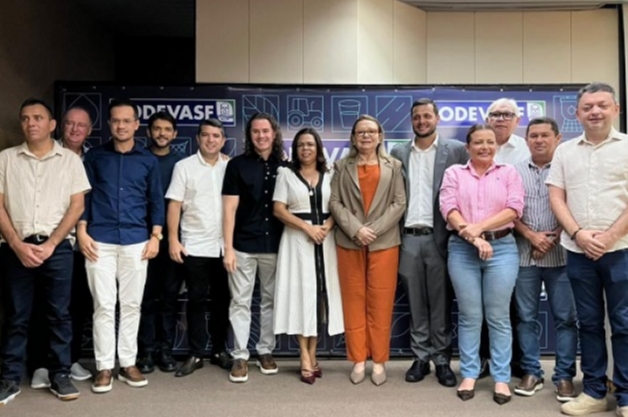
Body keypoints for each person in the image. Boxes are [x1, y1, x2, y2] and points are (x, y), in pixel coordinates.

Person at [0, 98, 91, 405]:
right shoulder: (6, 159)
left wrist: (51, 243)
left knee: (59, 315)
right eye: (25, 118)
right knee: (17, 315)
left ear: (52, 125)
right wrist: (16, 244)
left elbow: (77, 206)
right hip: (16, 248)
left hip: (58, 249)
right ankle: (9, 378)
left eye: (38, 118)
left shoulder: (70, 161)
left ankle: (60, 374)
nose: (31, 123)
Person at [546, 82, 628, 417]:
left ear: (615, 110)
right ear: (577, 113)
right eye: (587, 107)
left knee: (624, 323)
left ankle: (625, 395)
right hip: (579, 253)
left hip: (621, 250)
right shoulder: (565, 151)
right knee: (589, 323)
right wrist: (579, 234)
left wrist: (609, 237)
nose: (595, 111)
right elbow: (556, 197)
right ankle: (595, 391)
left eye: (602, 105)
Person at [78, 98, 164, 393]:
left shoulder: (148, 160)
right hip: (98, 240)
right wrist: (81, 230)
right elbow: (85, 197)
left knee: (131, 305)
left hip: (136, 241)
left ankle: (128, 363)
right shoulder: (94, 157)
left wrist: (156, 236)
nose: (121, 125)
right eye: (116, 120)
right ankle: (104, 367)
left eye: (127, 120)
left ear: (137, 125)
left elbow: (155, 200)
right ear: (109, 124)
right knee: (103, 306)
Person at [439, 123, 524, 405]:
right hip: (463, 249)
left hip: (502, 249)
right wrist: (474, 238)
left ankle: (501, 377)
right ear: (468, 147)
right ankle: (469, 373)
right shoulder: (454, 173)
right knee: (470, 316)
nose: (484, 147)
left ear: (496, 146)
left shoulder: (508, 172)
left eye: (490, 142)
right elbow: (448, 208)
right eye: (478, 142)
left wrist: (480, 228)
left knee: (498, 317)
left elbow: (514, 208)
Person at [390, 99, 468, 387]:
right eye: (416, 117)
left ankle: (442, 360)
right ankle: (420, 357)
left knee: (440, 302)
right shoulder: (398, 152)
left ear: (437, 118)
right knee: (415, 301)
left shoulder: (456, 150)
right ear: (411, 121)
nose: (422, 121)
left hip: (441, 238)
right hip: (408, 237)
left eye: (427, 116)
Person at [329, 115, 406, 386]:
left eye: (371, 131)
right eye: (361, 132)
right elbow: (335, 202)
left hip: (384, 243)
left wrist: (372, 230)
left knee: (381, 302)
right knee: (353, 301)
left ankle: (380, 361)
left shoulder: (394, 166)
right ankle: (359, 360)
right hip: (350, 242)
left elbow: (399, 203)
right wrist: (356, 229)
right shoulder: (341, 166)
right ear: (353, 137)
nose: (366, 136)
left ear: (380, 136)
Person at [28, 106, 94, 390]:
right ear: (59, 126)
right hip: (49, 243)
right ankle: (41, 364)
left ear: (89, 130)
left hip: (84, 246)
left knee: (76, 305)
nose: (75, 129)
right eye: (70, 124)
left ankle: (69, 360)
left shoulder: (94, 158)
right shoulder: (47, 155)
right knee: (42, 306)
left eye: (81, 125)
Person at [512, 117, 578, 402]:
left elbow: (575, 207)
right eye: (533, 136)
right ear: (526, 139)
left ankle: (564, 376)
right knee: (525, 318)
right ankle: (531, 372)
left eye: (545, 135)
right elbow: (509, 210)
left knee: (565, 319)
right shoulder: (513, 171)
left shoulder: (568, 169)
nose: (539, 140)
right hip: (524, 256)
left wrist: (550, 239)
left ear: (557, 138)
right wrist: (531, 236)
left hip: (561, 256)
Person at [272, 128, 343, 385]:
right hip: (297, 241)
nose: (305, 149)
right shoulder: (286, 174)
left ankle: (313, 354)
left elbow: (338, 206)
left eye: (310, 144)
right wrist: (306, 228)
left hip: (325, 240)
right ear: (295, 149)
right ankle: (304, 355)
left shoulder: (331, 174)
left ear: (318, 148)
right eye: (301, 144)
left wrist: (327, 226)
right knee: (301, 297)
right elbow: (278, 209)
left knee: (320, 297)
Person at [222, 112, 287, 383]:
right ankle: (240, 355)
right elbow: (229, 210)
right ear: (249, 135)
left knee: (270, 301)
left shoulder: (286, 166)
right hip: (243, 245)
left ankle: (265, 351)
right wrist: (228, 249)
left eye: (266, 131)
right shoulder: (236, 165)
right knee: (240, 302)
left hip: (276, 245)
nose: (261, 136)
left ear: (274, 134)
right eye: (256, 131)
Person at [166, 119, 232, 377]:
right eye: (205, 135)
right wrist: (173, 239)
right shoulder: (184, 167)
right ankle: (195, 354)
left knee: (222, 301)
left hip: (224, 247)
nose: (210, 140)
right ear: (198, 138)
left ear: (223, 140)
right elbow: (174, 205)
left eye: (216, 136)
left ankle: (219, 350)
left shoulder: (230, 166)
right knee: (196, 301)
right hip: (194, 245)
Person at [481, 97, 530, 379]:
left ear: (517, 120)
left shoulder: (525, 150)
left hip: (517, 235)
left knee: (513, 305)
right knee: (483, 303)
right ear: (487, 119)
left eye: (507, 114)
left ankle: (515, 361)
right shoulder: (475, 147)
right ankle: (484, 359)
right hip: (479, 236)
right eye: (495, 114)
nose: (501, 119)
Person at [136, 112, 184, 374]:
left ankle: (165, 349)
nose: (162, 133)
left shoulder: (182, 164)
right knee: (144, 297)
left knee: (168, 297)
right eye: (157, 128)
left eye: (167, 129)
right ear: (148, 132)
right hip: (141, 238)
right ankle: (145, 351)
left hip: (173, 241)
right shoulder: (140, 158)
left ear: (174, 134)